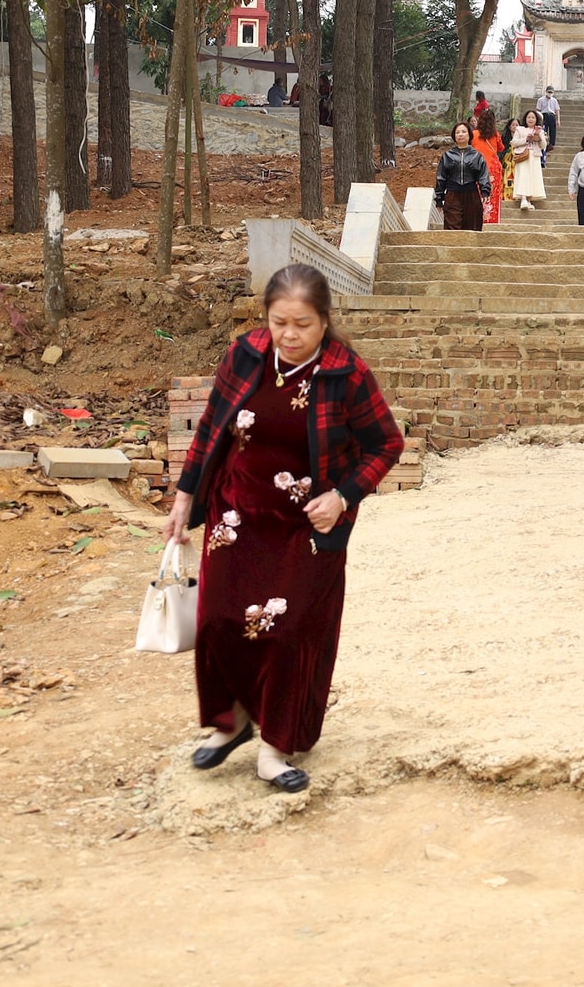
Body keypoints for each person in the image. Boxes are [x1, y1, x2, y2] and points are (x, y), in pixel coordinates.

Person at [164, 263, 404, 794]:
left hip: (306, 525)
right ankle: (232, 722)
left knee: (289, 633)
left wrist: (342, 496)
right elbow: (211, 427)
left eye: (303, 324)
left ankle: (275, 749)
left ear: (325, 321)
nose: (289, 336)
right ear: (266, 318)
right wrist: (186, 497)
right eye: (279, 323)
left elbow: (386, 444)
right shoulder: (245, 354)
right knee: (219, 621)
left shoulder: (347, 374)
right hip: (235, 513)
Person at [433, 122, 490, 231]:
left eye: (464, 132)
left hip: (472, 195)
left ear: (469, 135)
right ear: (454, 136)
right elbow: (441, 177)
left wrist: (485, 190)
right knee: (452, 227)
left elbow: (483, 174)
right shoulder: (447, 156)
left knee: (472, 227)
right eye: (457, 132)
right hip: (452, 195)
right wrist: (439, 198)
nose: (460, 134)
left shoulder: (477, 156)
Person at [473, 109, 506, 225]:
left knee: (478, 193)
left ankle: (477, 219)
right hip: (493, 167)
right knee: (493, 195)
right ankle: (492, 220)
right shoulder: (496, 134)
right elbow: (501, 148)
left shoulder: (474, 134)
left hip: (477, 168)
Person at [511, 111, 547, 211]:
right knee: (523, 175)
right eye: (529, 117)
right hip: (523, 155)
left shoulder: (540, 131)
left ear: (536, 119)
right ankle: (523, 198)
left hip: (534, 156)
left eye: (533, 117)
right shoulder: (520, 129)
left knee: (532, 176)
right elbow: (514, 142)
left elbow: (543, 146)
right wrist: (526, 139)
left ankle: (529, 199)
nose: (531, 119)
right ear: (525, 119)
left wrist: (539, 137)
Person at [537, 86, 560, 154]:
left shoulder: (554, 100)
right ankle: (543, 142)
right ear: (546, 92)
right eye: (549, 92)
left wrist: (558, 120)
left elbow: (557, 110)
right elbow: (538, 110)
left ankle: (551, 144)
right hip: (544, 115)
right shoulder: (540, 100)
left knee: (553, 130)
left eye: (551, 92)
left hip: (552, 115)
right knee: (544, 130)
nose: (550, 93)